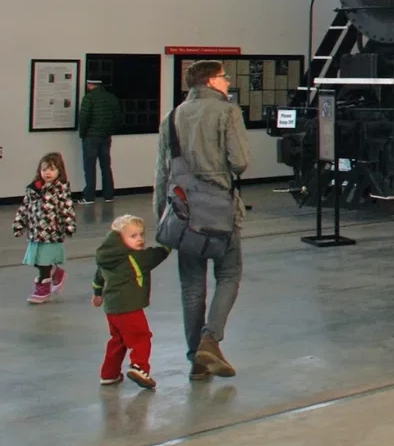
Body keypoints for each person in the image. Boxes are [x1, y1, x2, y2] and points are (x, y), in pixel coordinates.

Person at [154, 60, 249, 379]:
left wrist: (162, 217)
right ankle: (211, 338)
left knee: (192, 286)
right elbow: (240, 163)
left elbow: (161, 173)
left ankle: (196, 360)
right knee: (230, 274)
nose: (227, 82)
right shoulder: (228, 112)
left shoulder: (172, 116)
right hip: (221, 208)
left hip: (184, 213)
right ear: (211, 81)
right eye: (224, 78)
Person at [92, 214, 169, 388]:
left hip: (112, 309)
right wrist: (169, 242)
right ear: (119, 239)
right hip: (129, 307)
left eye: (141, 234)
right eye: (133, 236)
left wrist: (97, 294)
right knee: (142, 337)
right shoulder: (133, 258)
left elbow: (98, 278)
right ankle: (139, 367)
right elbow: (157, 254)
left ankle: (109, 374)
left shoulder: (105, 257)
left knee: (117, 340)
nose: (140, 239)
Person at [12, 152, 76, 304]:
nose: (48, 172)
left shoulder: (60, 190)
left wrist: (69, 225)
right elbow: (24, 208)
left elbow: (67, 209)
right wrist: (19, 224)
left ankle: (43, 288)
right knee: (34, 260)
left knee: (43, 264)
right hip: (35, 233)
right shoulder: (33, 189)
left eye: (52, 169)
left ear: (59, 171)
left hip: (51, 234)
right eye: (45, 169)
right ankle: (55, 272)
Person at [78, 78, 123, 204]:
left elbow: (84, 118)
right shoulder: (111, 97)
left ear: (89, 84)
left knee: (89, 166)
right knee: (106, 166)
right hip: (105, 136)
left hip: (91, 137)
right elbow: (118, 117)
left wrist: (82, 134)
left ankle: (89, 196)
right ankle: (108, 195)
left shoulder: (89, 98)